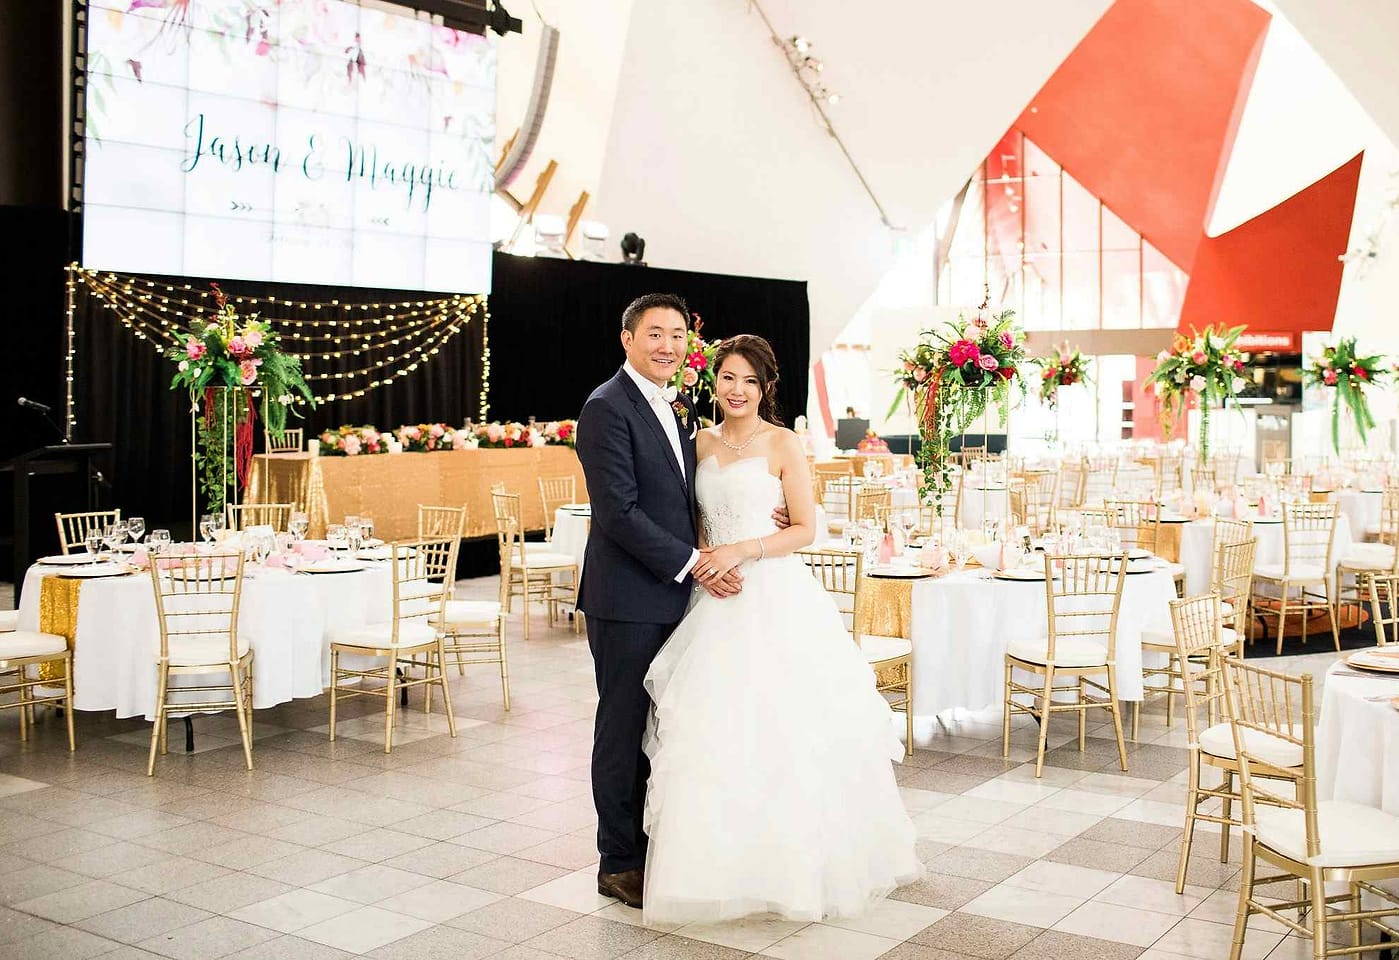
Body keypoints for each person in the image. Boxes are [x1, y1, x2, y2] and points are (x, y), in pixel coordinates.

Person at [641, 334, 921, 925]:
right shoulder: (697, 443)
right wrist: (704, 559)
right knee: (716, 736)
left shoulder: (784, 443)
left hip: (773, 593)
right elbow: (684, 519)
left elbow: (805, 529)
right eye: (726, 379)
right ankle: (720, 871)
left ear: (766, 387)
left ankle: (796, 871)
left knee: (786, 731)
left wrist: (744, 548)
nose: (736, 390)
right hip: (713, 596)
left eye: (748, 380)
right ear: (711, 383)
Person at [575, 294, 784, 909]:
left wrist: (753, 510)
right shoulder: (606, 407)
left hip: (675, 596)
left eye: (676, 335)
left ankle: (653, 846)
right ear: (628, 339)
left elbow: (684, 498)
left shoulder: (676, 409)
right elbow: (619, 512)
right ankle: (617, 861)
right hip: (629, 598)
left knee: (662, 728)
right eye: (654, 333)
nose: (667, 345)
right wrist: (696, 562)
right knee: (620, 727)